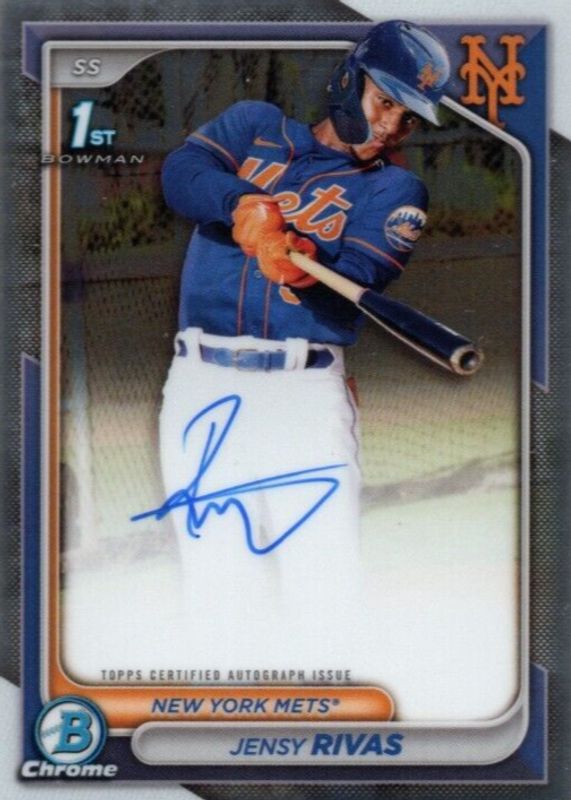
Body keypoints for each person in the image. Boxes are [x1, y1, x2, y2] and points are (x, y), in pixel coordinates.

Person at [148, 20, 450, 671]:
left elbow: (359, 276)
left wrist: (299, 262)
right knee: (214, 578)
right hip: (200, 382)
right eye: (385, 101)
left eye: (407, 117)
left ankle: (330, 722)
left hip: (301, 392)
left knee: (322, 579)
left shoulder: (394, 190)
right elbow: (182, 172)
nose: (391, 126)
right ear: (348, 80)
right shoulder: (254, 126)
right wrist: (243, 205)